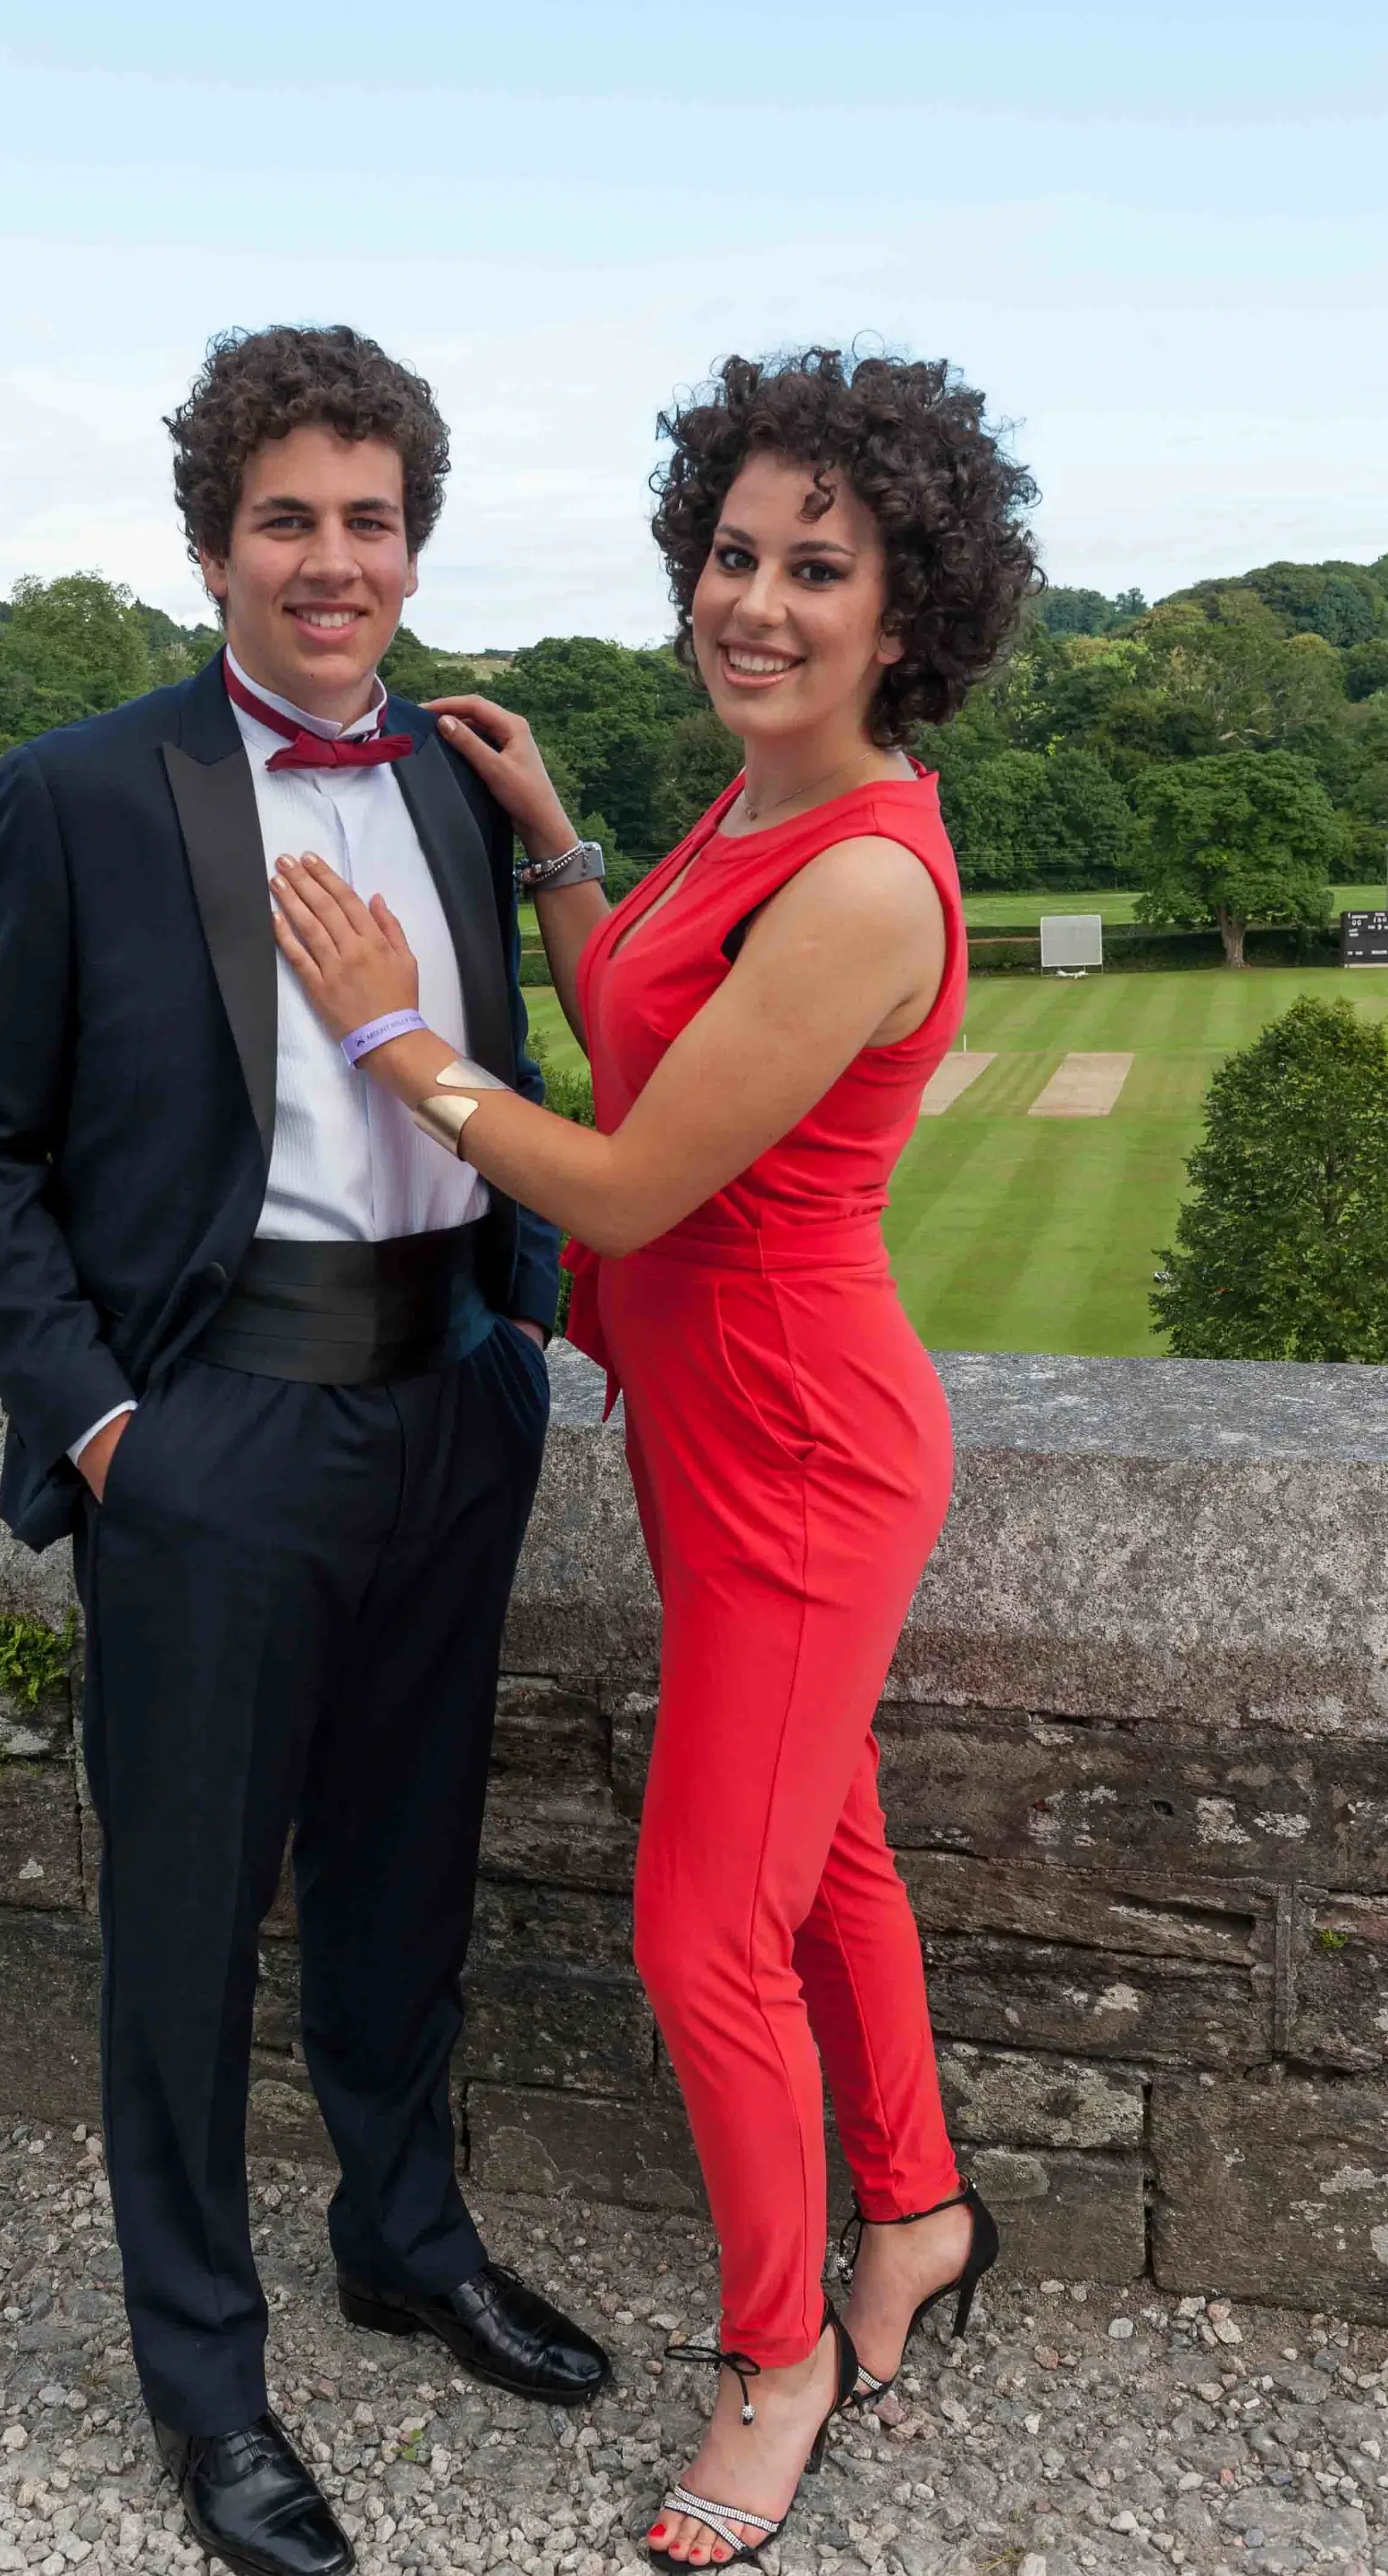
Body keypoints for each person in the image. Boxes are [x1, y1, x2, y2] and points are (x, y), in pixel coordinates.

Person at [266, 345, 1039, 2570]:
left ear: (912, 613)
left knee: (703, 1924)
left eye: (822, 569)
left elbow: (620, 1184)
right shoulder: (753, 801)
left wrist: (393, 1027)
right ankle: (919, 2212)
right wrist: (561, 845)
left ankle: (776, 2352)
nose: (759, 603)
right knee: (830, 1858)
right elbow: (652, 1025)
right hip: (715, 1433)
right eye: (734, 553)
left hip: (801, 1449)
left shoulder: (871, 874)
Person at [0, 322, 609, 2576]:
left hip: (449, 1413)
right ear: (213, 539)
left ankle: (403, 2237)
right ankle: (207, 2381)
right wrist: (112, 1429)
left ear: (415, 544)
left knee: (408, 1887)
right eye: (288, 518)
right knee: (190, 1934)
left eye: (370, 520)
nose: (333, 562)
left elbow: (485, 1090)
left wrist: (525, 1337)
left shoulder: (450, 783)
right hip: (214, 1442)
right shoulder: (83, 793)